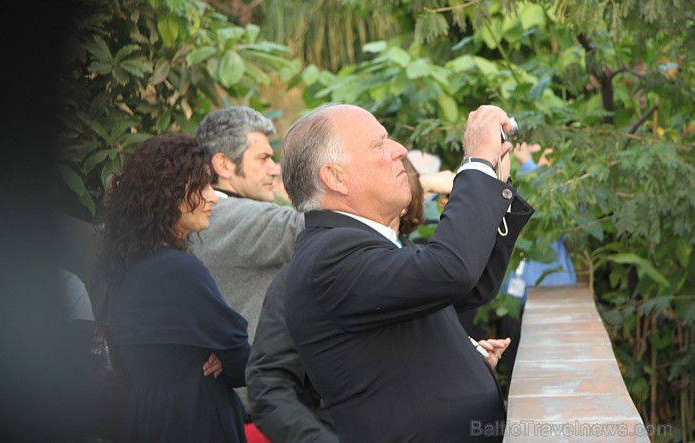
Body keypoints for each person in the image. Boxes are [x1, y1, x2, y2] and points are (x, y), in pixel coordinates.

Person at [278, 103, 533, 442]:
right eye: (379, 143)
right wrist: (475, 167)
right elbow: (451, 270)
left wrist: (493, 183)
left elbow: (470, 287)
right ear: (335, 177)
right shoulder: (329, 257)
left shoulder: (360, 245)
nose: (399, 150)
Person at [101, 133, 252, 442]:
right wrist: (223, 359)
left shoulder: (129, 264)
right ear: (169, 194)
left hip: (143, 417)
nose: (212, 197)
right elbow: (242, 358)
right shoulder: (179, 270)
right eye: (202, 186)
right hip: (192, 420)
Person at [193, 106, 305, 343]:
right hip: (250, 375)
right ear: (223, 165)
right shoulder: (227, 215)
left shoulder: (205, 214)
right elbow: (311, 224)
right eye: (263, 158)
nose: (274, 170)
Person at [497, 142, 577, 378]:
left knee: (552, 365)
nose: (540, 160)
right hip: (516, 295)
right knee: (515, 365)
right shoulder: (520, 178)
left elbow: (550, 211)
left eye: (545, 155)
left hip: (552, 290)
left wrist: (529, 163)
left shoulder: (565, 185)